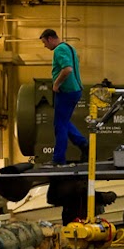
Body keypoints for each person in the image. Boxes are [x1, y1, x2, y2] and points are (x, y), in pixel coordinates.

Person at [39, 28, 88, 166]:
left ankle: (58, 159)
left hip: (66, 92)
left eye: (44, 42)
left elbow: (67, 69)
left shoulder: (59, 50)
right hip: (76, 90)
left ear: (50, 38)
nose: (45, 46)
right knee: (64, 122)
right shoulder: (69, 48)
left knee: (59, 125)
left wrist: (56, 83)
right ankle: (83, 144)